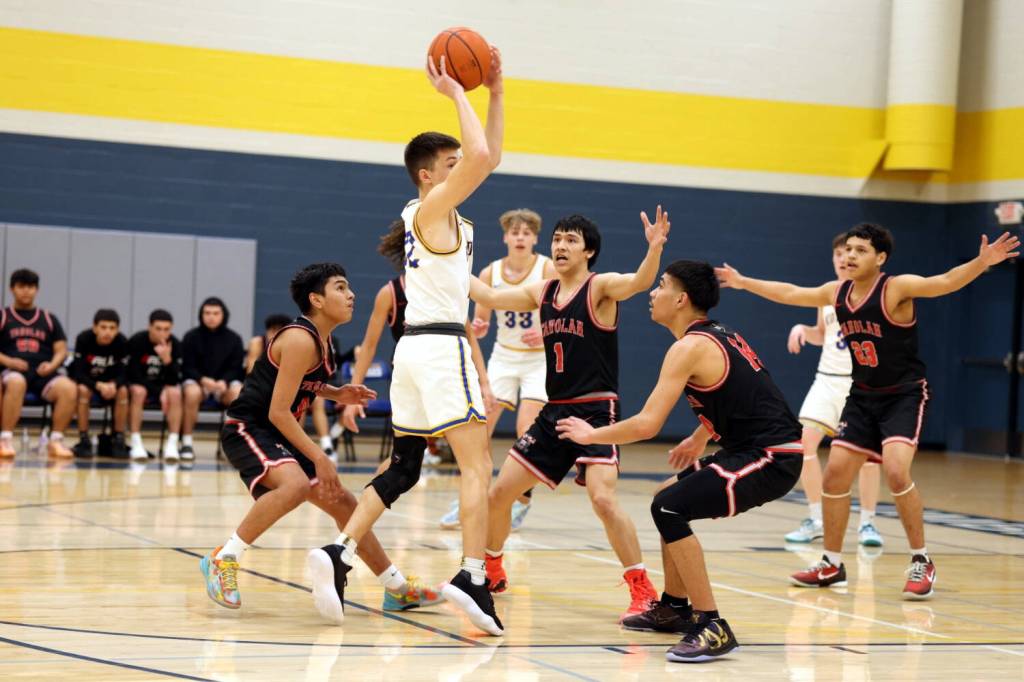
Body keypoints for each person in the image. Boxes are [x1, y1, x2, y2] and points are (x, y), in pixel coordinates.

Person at [310, 48, 507, 637]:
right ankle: (472, 576)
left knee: (403, 467)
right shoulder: (432, 206)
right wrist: (458, 93)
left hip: (416, 353)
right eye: (448, 162)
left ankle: (339, 554)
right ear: (428, 174)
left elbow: (486, 155)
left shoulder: (436, 217)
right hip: (443, 350)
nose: (461, 167)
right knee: (478, 465)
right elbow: (481, 156)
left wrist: (497, 91)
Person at [715, 223, 1020, 600]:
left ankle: (921, 560)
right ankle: (830, 562)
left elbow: (945, 281)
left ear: (880, 258)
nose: (850, 256)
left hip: (903, 396)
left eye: (860, 250)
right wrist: (745, 282)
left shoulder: (896, 288)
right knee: (835, 477)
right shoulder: (836, 292)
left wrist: (981, 262)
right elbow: (792, 293)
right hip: (862, 397)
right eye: (847, 250)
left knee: (895, 470)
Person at [557, 260, 804, 662]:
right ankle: (674, 607)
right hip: (751, 447)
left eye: (661, 286)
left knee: (669, 507)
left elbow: (647, 425)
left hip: (772, 456)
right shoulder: (718, 336)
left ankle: (712, 624)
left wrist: (591, 436)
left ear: (681, 299)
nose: (652, 294)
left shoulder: (688, 347)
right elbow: (745, 391)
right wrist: (699, 435)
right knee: (668, 493)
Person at [200, 263, 441, 617]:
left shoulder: (323, 339)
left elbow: (301, 384)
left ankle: (397, 589)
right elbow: (278, 412)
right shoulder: (299, 338)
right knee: (296, 485)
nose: (351, 295)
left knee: (343, 503)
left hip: (278, 431)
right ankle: (225, 558)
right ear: (316, 299)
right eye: (340, 288)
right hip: (249, 427)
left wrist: (337, 393)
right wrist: (320, 456)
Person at [469, 209, 669, 622]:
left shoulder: (601, 288)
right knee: (498, 494)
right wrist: (445, 260)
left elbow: (640, 282)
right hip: (554, 411)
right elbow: (487, 297)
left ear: (588, 250)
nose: (560, 245)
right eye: (557, 238)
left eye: (571, 240)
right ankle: (492, 569)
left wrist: (654, 248)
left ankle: (643, 589)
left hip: (596, 409)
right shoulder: (541, 291)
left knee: (602, 498)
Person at [440, 208, 556, 531]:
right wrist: (479, 326)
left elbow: (563, 311)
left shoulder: (547, 268)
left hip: (537, 360)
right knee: (478, 431)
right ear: (505, 237)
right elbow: (483, 319)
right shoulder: (491, 272)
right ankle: (470, 498)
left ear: (535, 238)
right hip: (504, 357)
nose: (520, 237)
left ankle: (521, 499)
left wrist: (546, 333)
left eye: (526, 232)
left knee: (525, 431)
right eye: (514, 232)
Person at [783, 233, 882, 547]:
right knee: (803, 445)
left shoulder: (873, 295)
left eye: (849, 252)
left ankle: (867, 523)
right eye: (838, 253)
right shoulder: (827, 295)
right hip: (827, 380)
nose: (843, 258)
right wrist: (803, 330)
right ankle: (816, 518)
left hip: (861, 384)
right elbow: (822, 335)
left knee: (866, 457)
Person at [247, 313, 352, 462]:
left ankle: (325, 442)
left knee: (312, 400)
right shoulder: (258, 342)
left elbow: (306, 380)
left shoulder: (302, 344)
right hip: (261, 392)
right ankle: (296, 443)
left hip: (295, 390)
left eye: (280, 330)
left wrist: (334, 393)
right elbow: (251, 372)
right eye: (273, 330)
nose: (276, 334)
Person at [0, 268, 77, 458]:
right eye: (21, 286)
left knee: (68, 387)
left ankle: (56, 441)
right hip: (11, 371)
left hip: (43, 372)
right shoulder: (3, 316)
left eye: (31, 287)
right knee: (17, 382)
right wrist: (10, 361)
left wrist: (52, 364)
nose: (26, 291)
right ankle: (5, 439)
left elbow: (61, 350)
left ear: (37, 290)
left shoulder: (49, 318)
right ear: (12, 289)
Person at [181, 297, 245, 461]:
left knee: (238, 393)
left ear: (223, 315)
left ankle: (231, 444)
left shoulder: (234, 339)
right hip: (198, 383)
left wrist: (224, 381)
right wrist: (202, 380)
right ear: (201, 315)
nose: (211, 317)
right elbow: (187, 367)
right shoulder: (191, 337)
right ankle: (186, 442)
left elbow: (236, 368)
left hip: (224, 385)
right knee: (192, 392)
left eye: (215, 313)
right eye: (207, 313)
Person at [71, 308, 130, 458]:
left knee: (123, 391)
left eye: (112, 328)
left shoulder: (122, 342)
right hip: (91, 383)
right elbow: (78, 373)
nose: (107, 332)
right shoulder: (84, 339)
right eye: (103, 327)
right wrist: (97, 385)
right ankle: (84, 439)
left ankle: (118, 438)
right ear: (95, 327)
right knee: (82, 390)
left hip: (111, 385)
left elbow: (125, 373)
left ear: (117, 330)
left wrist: (114, 384)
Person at [126, 309, 184, 461]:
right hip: (141, 385)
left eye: (166, 329)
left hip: (164, 387)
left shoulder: (175, 344)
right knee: (139, 392)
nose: (162, 333)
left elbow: (175, 378)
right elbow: (134, 375)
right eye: (158, 328)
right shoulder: (137, 341)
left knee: (176, 393)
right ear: (149, 327)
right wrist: (160, 392)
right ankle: (136, 442)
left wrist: (167, 360)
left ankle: (172, 444)